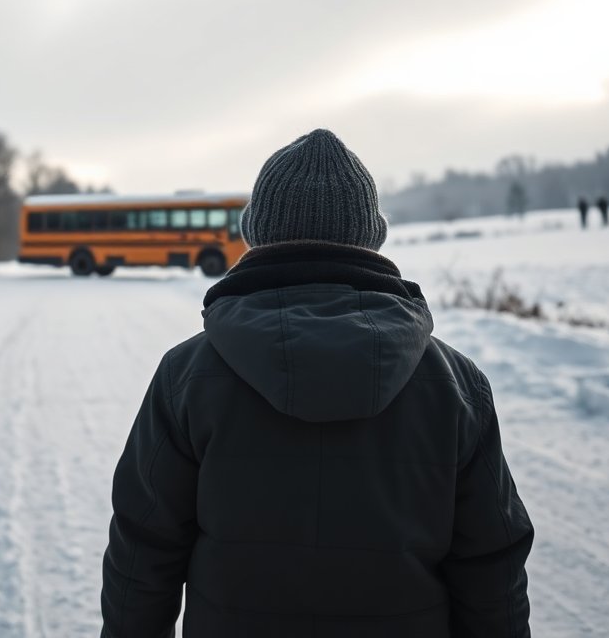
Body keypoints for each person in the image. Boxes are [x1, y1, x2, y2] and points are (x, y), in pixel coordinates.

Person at [101, 129, 533, 637]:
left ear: (256, 234)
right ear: (371, 237)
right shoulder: (457, 386)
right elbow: (491, 569)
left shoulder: (187, 377)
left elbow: (142, 553)